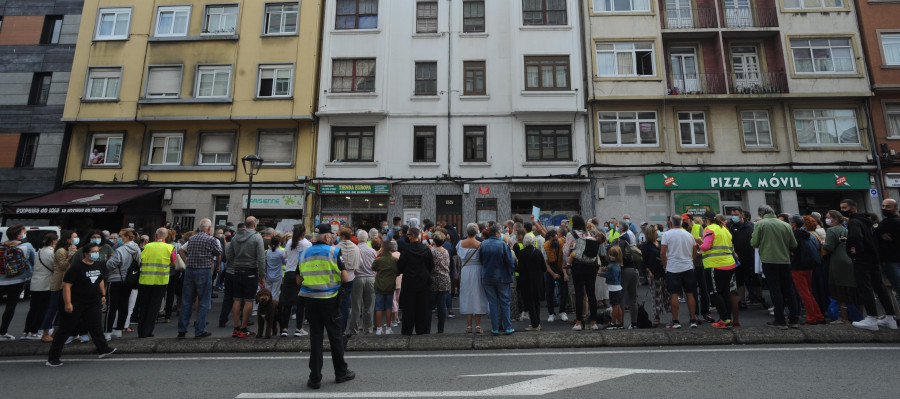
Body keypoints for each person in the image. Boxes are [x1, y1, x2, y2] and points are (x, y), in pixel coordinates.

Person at [298, 224, 355, 390]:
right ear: (328, 237)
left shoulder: (304, 253)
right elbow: (345, 278)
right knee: (335, 337)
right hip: (330, 300)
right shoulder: (334, 252)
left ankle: (315, 378)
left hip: (310, 300)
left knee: (315, 338)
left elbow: (298, 279)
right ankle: (341, 373)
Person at [46, 243, 116, 366]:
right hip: (76, 302)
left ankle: (103, 349)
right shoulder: (76, 267)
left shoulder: (98, 265)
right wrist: (68, 303)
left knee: (96, 326)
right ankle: (53, 357)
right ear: (85, 254)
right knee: (66, 328)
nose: (95, 254)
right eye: (92, 252)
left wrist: (103, 294)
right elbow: (66, 285)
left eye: (97, 251)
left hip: (93, 301)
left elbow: (100, 280)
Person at [841, 199, 898, 330]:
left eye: (844, 208)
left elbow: (856, 237)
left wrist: (855, 251)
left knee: (865, 288)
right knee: (880, 288)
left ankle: (872, 318)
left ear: (853, 208)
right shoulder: (866, 221)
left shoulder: (854, 222)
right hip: (874, 259)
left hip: (862, 260)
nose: (843, 210)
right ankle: (890, 318)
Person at [751, 205, 799, 330]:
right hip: (785, 260)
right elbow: (794, 244)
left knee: (775, 290)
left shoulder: (760, 224)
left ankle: (780, 320)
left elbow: (754, 243)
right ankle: (794, 319)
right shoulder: (786, 225)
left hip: (768, 260)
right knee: (789, 289)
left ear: (761, 214)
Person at [177, 219, 221, 338]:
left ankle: (182, 329)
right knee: (203, 301)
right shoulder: (211, 239)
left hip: (190, 270)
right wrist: (216, 266)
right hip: (204, 270)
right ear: (208, 229)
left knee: (187, 301)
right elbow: (218, 253)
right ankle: (200, 329)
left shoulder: (192, 238)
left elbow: (182, 250)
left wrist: (187, 262)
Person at [227, 217, 266, 338]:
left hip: (237, 270)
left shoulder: (235, 237)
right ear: (254, 225)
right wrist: (262, 275)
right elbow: (260, 258)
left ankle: (236, 327)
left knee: (237, 299)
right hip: (251, 271)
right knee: (249, 300)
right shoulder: (257, 237)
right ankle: (244, 328)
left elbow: (228, 254)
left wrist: (235, 263)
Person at [136, 228, 176, 338]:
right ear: (167, 235)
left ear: (156, 235)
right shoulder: (169, 247)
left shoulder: (147, 246)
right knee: (154, 307)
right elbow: (173, 263)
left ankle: (141, 331)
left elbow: (141, 259)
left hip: (145, 280)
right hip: (160, 281)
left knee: (143, 306)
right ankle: (148, 331)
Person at [699, 212, 737, 329]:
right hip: (729, 264)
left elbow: (706, 246)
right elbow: (730, 247)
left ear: (706, 220)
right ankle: (726, 318)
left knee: (714, 293)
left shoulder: (710, 228)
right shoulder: (724, 229)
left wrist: (699, 243)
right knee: (725, 292)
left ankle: (724, 320)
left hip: (715, 264)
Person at [661, 214, 698, 329]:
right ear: (681, 223)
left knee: (674, 295)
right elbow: (695, 252)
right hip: (688, 267)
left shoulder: (666, 234)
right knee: (690, 294)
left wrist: (665, 264)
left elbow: (662, 252)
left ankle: (676, 321)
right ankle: (693, 320)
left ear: (670, 223)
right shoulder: (689, 235)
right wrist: (690, 260)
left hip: (673, 268)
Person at [823, 210, 860, 324]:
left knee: (839, 291)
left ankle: (844, 318)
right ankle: (857, 316)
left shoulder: (831, 230)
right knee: (851, 290)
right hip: (848, 260)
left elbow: (828, 247)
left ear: (835, 219)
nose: (827, 219)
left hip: (837, 262)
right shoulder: (845, 229)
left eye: (828, 217)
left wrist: (823, 243)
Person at [788, 215, 826, 326]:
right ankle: (818, 315)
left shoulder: (794, 235)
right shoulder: (807, 234)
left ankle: (811, 318)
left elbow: (791, 249)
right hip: (809, 266)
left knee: (804, 294)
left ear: (794, 224)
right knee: (809, 292)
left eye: (790, 222)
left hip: (798, 266)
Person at [0, 224, 36, 340]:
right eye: (23, 232)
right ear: (19, 235)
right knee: (10, 306)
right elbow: (33, 260)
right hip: (18, 280)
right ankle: (3, 332)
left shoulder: (1, 246)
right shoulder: (27, 246)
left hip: (1, 281)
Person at [480, 224, 516, 336]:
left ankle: (495, 328)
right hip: (502, 277)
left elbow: (481, 260)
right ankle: (508, 327)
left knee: (492, 303)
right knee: (505, 302)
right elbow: (510, 262)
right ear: (497, 233)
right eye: (500, 232)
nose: (501, 234)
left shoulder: (483, 244)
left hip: (487, 276)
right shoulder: (503, 245)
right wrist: (511, 273)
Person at [565, 216, 600, 331]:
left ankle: (579, 322)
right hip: (591, 266)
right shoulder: (589, 235)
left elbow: (566, 251)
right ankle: (594, 322)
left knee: (579, 293)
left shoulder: (571, 235)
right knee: (591, 294)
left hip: (578, 266)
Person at [397, 227, 434, 335]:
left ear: (412, 235)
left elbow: (400, 266)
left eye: (408, 235)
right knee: (422, 308)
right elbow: (430, 265)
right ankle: (422, 330)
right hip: (423, 281)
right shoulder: (426, 249)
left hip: (409, 281)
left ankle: (407, 331)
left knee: (408, 309)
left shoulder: (406, 250)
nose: (407, 237)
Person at [104, 229, 140, 339]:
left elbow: (111, 264)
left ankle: (107, 331)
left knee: (112, 306)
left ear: (126, 237)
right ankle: (119, 329)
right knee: (123, 305)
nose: (119, 238)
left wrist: (109, 260)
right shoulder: (137, 249)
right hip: (129, 281)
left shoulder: (120, 250)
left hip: (116, 279)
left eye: (120, 236)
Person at [21, 233, 58, 340]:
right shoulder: (51, 253)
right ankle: (37, 330)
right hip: (46, 284)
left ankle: (27, 331)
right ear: (53, 242)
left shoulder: (39, 251)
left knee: (33, 308)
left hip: (35, 283)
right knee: (43, 308)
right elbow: (55, 267)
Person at [280, 224, 311, 337]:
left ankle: (284, 329)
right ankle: (299, 328)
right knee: (300, 303)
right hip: (300, 274)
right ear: (304, 233)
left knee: (287, 303)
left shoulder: (289, 242)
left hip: (288, 273)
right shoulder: (307, 244)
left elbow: (285, 256)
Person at [458, 223, 488, 334]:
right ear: (476, 232)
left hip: (465, 270)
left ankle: (469, 326)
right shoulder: (481, 244)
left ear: (467, 232)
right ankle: (478, 325)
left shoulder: (460, 244)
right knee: (478, 296)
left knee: (467, 295)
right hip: (478, 270)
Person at [347, 230, 376, 335]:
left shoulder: (355, 249)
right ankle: (368, 328)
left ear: (358, 238)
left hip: (358, 278)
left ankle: (354, 329)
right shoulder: (372, 251)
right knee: (369, 305)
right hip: (371, 278)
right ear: (367, 238)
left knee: (356, 305)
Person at [515, 234, 544, 331]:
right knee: (537, 302)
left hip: (526, 281)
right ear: (533, 242)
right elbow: (544, 268)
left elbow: (520, 269)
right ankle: (537, 323)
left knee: (530, 302)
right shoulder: (538, 252)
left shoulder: (522, 253)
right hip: (538, 281)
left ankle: (534, 324)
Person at [641, 225, 669, 327]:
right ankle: (656, 316)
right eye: (656, 231)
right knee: (656, 296)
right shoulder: (646, 246)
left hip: (663, 272)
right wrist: (649, 272)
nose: (658, 232)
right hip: (653, 273)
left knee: (666, 294)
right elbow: (643, 262)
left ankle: (669, 313)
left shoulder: (660, 243)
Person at [875, 199, 900, 303]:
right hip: (891, 259)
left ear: (896, 208)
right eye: (883, 206)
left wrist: (879, 233)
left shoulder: (892, 222)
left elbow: (874, 232)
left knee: (898, 287)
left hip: (891, 260)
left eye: (888, 206)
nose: (884, 208)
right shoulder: (886, 222)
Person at [542, 229, 569, 323]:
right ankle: (551, 313)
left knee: (564, 291)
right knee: (549, 292)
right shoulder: (544, 247)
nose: (555, 241)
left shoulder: (562, 244)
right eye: (553, 240)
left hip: (561, 267)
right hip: (550, 270)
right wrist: (553, 274)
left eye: (556, 239)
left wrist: (565, 274)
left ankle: (562, 311)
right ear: (549, 239)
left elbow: (564, 261)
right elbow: (545, 264)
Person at [336, 228, 359, 334]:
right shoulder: (355, 247)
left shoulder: (336, 248)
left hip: (338, 278)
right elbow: (360, 262)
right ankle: (342, 328)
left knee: (336, 304)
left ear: (342, 236)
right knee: (345, 303)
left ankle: (336, 327)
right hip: (350, 277)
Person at [372, 240, 398, 335]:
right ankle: (388, 328)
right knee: (388, 307)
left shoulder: (379, 260)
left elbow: (373, 268)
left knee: (378, 307)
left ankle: (379, 328)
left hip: (379, 285)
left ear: (382, 248)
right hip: (390, 285)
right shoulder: (395, 260)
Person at [428, 231, 451, 333]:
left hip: (433, 279)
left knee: (429, 306)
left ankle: (427, 328)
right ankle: (440, 329)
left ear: (434, 241)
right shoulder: (445, 251)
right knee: (441, 306)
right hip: (445, 279)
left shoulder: (432, 252)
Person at [602, 246, 624, 329]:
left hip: (613, 287)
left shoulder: (611, 265)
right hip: (618, 287)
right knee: (617, 306)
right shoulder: (617, 264)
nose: (610, 256)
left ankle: (613, 323)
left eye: (612, 254)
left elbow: (611, 276)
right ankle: (620, 322)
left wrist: (603, 274)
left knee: (614, 306)